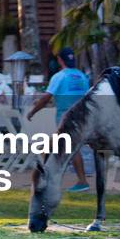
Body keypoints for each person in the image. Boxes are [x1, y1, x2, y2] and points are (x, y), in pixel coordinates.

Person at [26, 47, 91, 192]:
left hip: (65, 119)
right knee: (53, 147)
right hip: (82, 117)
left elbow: (46, 98)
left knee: (70, 149)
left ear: (60, 60)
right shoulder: (82, 76)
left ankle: (82, 181)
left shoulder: (59, 77)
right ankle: (44, 177)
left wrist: (33, 111)